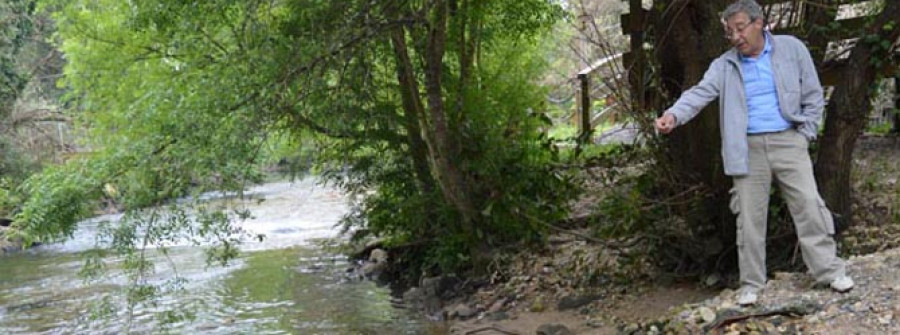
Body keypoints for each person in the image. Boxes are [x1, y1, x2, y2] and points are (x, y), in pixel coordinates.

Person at [654, 0, 853, 306]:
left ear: (759, 23)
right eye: (729, 31)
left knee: (810, 208)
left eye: (740, 28)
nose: (735, 37)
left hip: (789, 140)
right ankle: (751, 284)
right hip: (745, 148)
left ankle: (829, 271)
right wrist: (673, 115)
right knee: (748, 218)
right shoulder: (724, 64)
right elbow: (699, 92)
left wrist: (806, 134)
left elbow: (813, 94)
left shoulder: (792, 48)